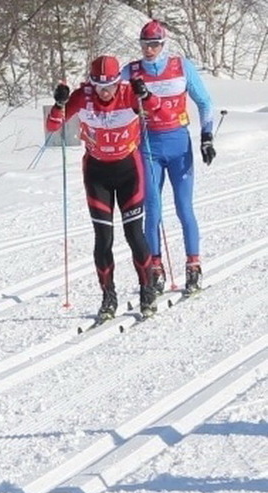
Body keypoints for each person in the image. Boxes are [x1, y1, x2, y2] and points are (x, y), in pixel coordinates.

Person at [46, 55, 174, 321]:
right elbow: (52, 127)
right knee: (103, 239)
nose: (105, 91)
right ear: (91, 82)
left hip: (129, 171)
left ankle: (147, 290)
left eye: (111, 85)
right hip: (97, 174)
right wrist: (59, 104)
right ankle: (108, 296)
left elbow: (162, 113)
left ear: (119, 81)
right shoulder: (83, 97)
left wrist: (146, 94)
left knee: (134, 235)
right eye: (99, 85)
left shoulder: (128, 94)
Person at [122, 20, 215, 295]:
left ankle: (193, 265)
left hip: (179, 145)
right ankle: (155, 268)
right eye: (144, 45)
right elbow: (108, 91)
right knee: (152, 209)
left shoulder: (180, 66)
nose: (149, 50)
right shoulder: (132, 71)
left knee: (184, 207)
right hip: (148, 146)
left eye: (154, 45)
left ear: (163, 45)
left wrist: (207, 137)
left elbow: (205, 102)